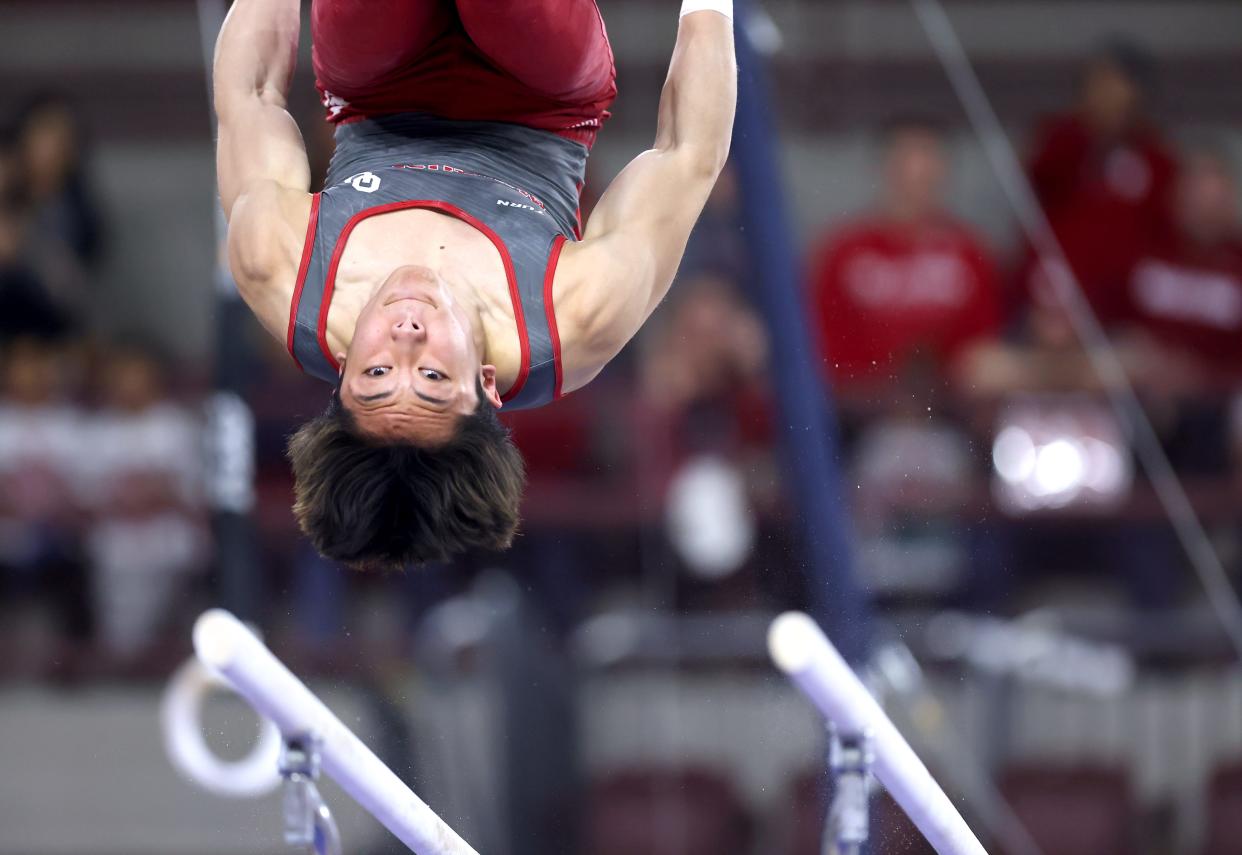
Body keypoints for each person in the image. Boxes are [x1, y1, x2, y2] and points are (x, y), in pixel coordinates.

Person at [214, 0, 736, 569]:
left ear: (339, 370)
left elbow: (253, 97)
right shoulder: (569, 319)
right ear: (488, 386)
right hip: (541, 97)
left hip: (373, 87)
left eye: (378, 372)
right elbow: (686, 154)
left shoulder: (283, 271)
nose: (406, 335)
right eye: (434, 375)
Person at [808, 119, 1001, 401]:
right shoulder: (845, 252)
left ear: (942, 173)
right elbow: (824, 346)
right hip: (860, 409)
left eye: (926, 174)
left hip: (950, 408)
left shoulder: (969, 252)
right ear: (884, 170)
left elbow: (983, 346)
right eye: (905, 171)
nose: (915, 185)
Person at [1021, 38, 1176, 324]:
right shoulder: (1060, 140)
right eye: (1099, 81)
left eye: (1117, 82)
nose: (1107, 93)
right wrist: (1094, 136)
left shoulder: (1157, 158)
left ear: (1138, 91)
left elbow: (1163, 235)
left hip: (1126, 311)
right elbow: (1036, 184)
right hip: (1052, 306)